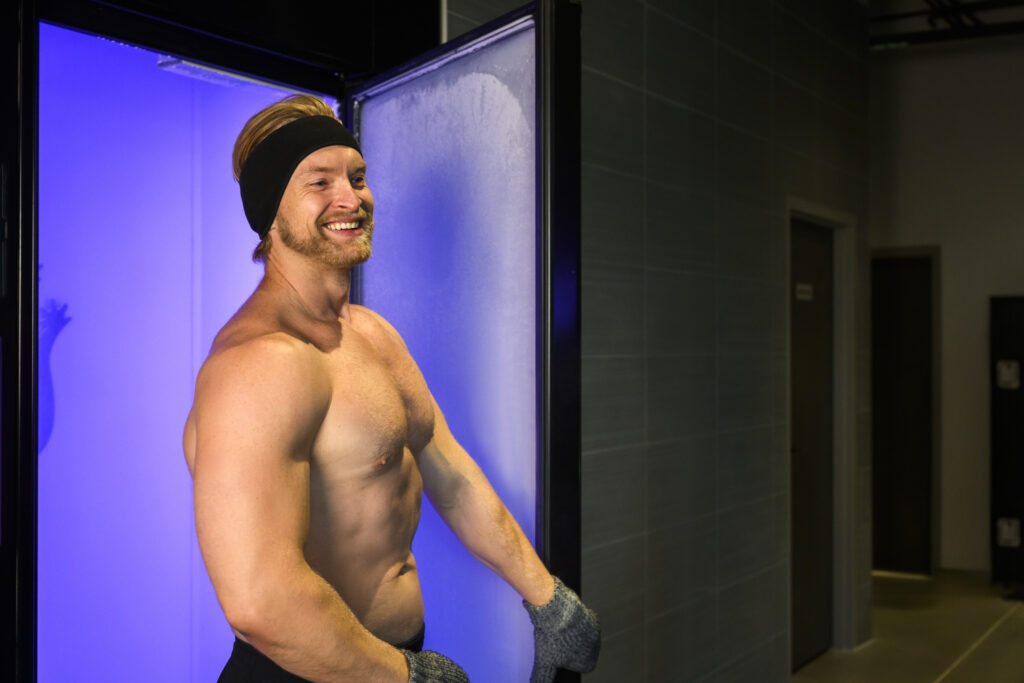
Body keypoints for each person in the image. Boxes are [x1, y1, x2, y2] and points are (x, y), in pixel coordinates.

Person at [182, 94, 600, 682]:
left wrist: (547, 599)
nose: (350, 198)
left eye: (357, 177)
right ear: (269, 214)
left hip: (388, 662)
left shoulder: (372, 335)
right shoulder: (258, 366)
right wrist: (410, 678)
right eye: (319, 182)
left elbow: (446, 469)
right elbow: (259, 600)